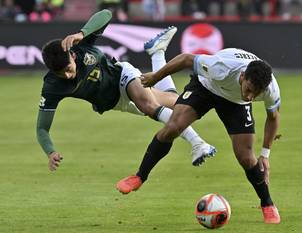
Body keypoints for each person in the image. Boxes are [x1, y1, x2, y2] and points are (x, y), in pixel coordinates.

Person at [36, 9, 216, 172]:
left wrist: (82, 33)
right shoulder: (52, 87)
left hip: (122, 75)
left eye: (68, 69)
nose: (67, 76)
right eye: (61, 74)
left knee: (150, 107)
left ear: (73, 55)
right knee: (177, 102)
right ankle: (157, 52)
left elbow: (106, 14)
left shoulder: (81, 46)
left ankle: (198, 144)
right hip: (116, 103)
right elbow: (42, 128)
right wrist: (50, 152)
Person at [117, 47, 282, 224]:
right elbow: (186, 59)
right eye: (249, 89)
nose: (251, 97)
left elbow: (273, 117)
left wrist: (265, 154)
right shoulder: (222, 67)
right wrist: (155, 77)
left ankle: (267, 204)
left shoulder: (269, 88)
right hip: (206, 87)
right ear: (242, 76)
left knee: (246, 157)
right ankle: (139, 176)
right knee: (173, 127)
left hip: (235, 104)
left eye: (255, 94)